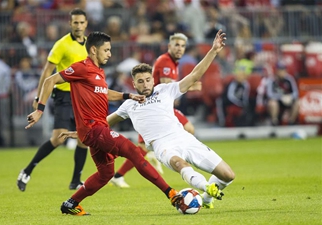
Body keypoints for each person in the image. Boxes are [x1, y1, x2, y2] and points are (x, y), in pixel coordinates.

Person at [25, 31, 214, 215]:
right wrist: (40, 109)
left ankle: (71, 203)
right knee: (133, 151)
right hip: (95, 129)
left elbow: (104, 93)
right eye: (106, 50)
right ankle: (172, 195)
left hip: (95, 130)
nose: (109, 54)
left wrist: (127, 95)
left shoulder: (98, 72)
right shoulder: (82, 67)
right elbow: (50, 80)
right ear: (93, 50)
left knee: (106, 174)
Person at [110, 33, 197, 188]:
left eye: (183, 46)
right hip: (153, 106)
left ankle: (120, 174)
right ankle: (163, 154)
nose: (180, 49)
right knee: (188, 128)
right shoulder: (165, 62)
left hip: (158, 107)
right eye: (176, 45)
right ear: (169, 46)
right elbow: (166, 84)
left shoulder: (172, 62)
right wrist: (190, 86)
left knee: (143, 148)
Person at [17, 8, 89, 192]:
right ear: (70, 23)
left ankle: (75, 181)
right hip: (64, 95)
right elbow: (47, 72)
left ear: (86, 23)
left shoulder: (89, 45)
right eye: (75, 22)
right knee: (58, 139)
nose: (79, 26)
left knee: (83, 139)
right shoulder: (62, 44)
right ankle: (27, 170)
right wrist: (38, 97)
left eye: (81, 22)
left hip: (82, 97)